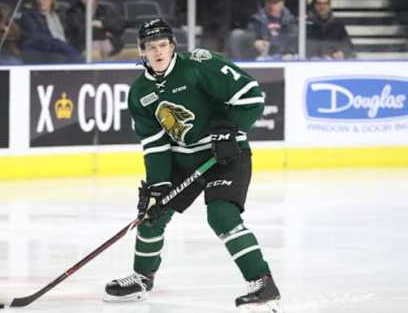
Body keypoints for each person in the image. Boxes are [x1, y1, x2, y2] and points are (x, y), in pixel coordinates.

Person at [103, 19, 282, 312]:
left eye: (163, 45)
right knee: (152, 214)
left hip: (224, 154)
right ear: (141, 51)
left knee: (222, 215)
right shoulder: (139, 93)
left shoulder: (200, 65)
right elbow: (156, 144)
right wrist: (158, 185)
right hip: (183, 160)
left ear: (172, 46)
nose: (158, 52)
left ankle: (262, 283)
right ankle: (141, 278)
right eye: (151, 47)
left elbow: (251, 94)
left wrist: (231, 130)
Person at [19, 0, 83, 64]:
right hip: (41, 50)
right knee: (67, 57)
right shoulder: (29, 15)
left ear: (51, 0)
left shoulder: (60, 14)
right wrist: (64, 46)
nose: (41, 2)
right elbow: (38, 37)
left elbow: (70, 33)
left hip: (61, 47)